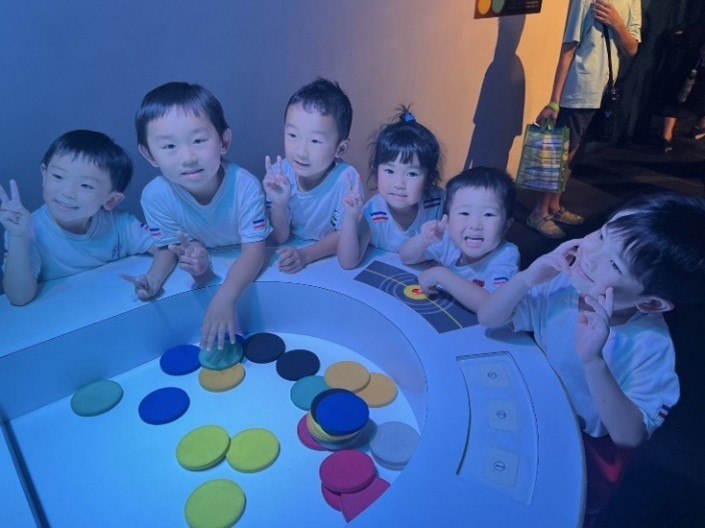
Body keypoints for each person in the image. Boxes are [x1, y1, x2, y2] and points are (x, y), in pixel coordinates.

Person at [477, 192, 705, 524]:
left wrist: (594, 361)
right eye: (601, 235)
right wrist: (526, 279)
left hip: (588, 449)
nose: (591, 253)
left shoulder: (651, 347)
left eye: (614, 264)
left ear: (651, 303)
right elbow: (488, 317)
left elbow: (629, 436)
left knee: (562, 508)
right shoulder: (562, 285)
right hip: (536, 414)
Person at [137, 82, 271, 351]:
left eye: (199, 141)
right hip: (210, 269)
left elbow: (255, 252)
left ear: (224, 141)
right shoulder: (155, 196)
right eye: (169, 146)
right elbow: (168, 249)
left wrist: (225, 298)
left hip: (242, 267)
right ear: (149, 155)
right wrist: (153, 279)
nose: (188, 157)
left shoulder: (244, 186)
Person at [0, 130, 173, 306]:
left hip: (113, 306)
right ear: (45, 175)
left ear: (111, 200)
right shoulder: (25, 231)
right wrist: (18, 238)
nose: (67, 192)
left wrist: (153, 279)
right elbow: (18, 298)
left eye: (86, 186)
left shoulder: (119, 224)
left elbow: (166, 248)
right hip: (60, 314)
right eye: (58, 176)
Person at [528, 0, 642, 239]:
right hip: (579, 89)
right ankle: (538, 213)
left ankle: (554, 206)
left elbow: (631, 49)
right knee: (560, 154)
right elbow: (569, 48)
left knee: (575, 153)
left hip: (605, 92)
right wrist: (554, 101)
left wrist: (617, 24)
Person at [264, 78, 363, 273]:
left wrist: (305, 255)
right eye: (293, 135)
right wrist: (279, 204)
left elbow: (343, 235)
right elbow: (280, 237)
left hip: (328, 258)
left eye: (315, 141)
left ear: (340, 149)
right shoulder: (279, 174)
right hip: (288, 252)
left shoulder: (347, 180)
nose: (301, 152)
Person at [399, 167, 519, 313]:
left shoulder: (505, 255)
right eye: (464, 213)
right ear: (447, 221)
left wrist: (441, 274)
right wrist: (424, 239)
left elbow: (494, 308)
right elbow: (406, 257)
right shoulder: (448, 240)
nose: (475, 225)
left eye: (488, 214)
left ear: (506, 226)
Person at [337, 106, 444, 269]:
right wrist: (351, 217)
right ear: (376, 171)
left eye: (412, 174)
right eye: (389, 171)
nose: (399, 184)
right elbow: (347, 262)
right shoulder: (374, 212)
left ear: (429, 178)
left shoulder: (438, 203)